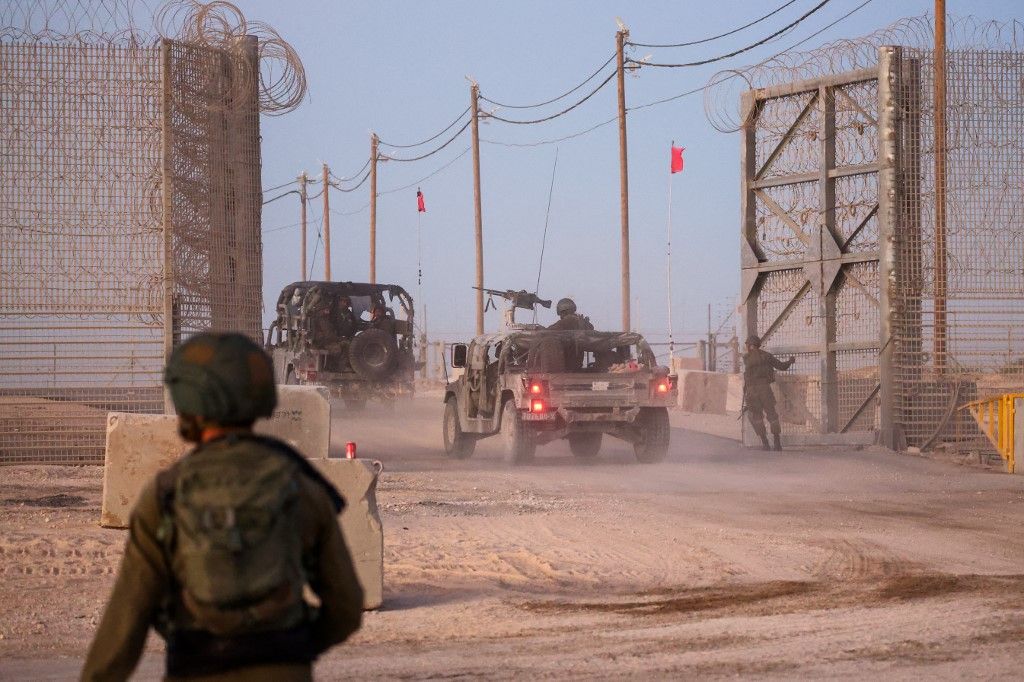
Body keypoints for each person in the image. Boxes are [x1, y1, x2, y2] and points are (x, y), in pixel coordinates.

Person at [82, 332, 363, 681]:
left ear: (188, 403)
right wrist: (292, 649)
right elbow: (347, 609)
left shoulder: (166, 495)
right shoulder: (300, 487)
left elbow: (125, 625)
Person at [742, 334, 795, 451]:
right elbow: (782, 366)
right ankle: (777, 442)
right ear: (758, 345)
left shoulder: (746, 358)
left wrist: (746, 394)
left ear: (749, 345)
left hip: (752, 391)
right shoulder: (767, 356)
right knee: (772, 415)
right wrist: (790, 361)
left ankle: (765, 443)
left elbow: (746, 378)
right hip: (765, 389)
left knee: (757, 417)